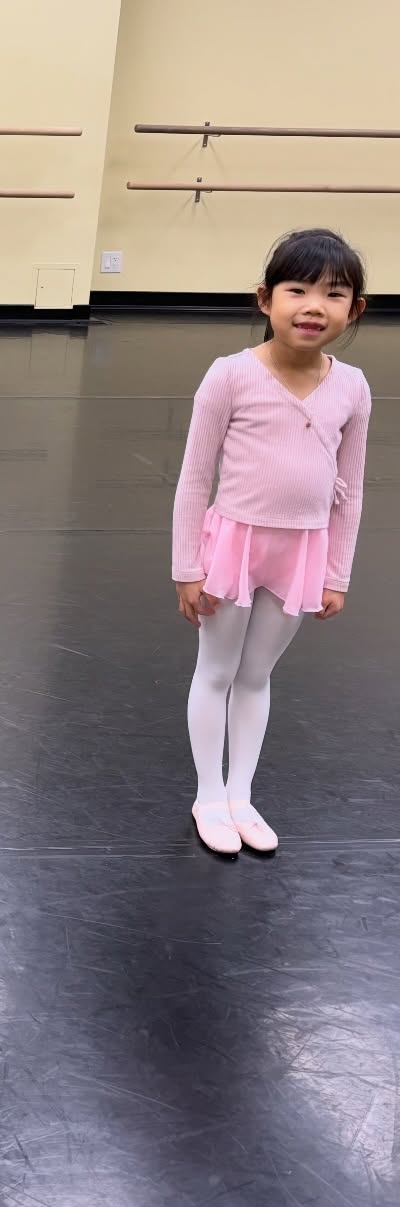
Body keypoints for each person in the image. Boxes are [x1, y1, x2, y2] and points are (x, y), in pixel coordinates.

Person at [173, 229, 370, 854]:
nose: (314, 306)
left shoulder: (353, 387)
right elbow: (194, 478)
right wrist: (186, 566)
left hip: (303, 550)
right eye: (298, 290)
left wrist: (336, 572)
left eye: (334, 294)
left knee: (257, 676)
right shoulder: (230, 376)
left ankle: (241, 794)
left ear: (355, 309)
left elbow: (352, 489)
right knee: (216, 671)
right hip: (234, 544)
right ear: (265, 300)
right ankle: (208, 794)